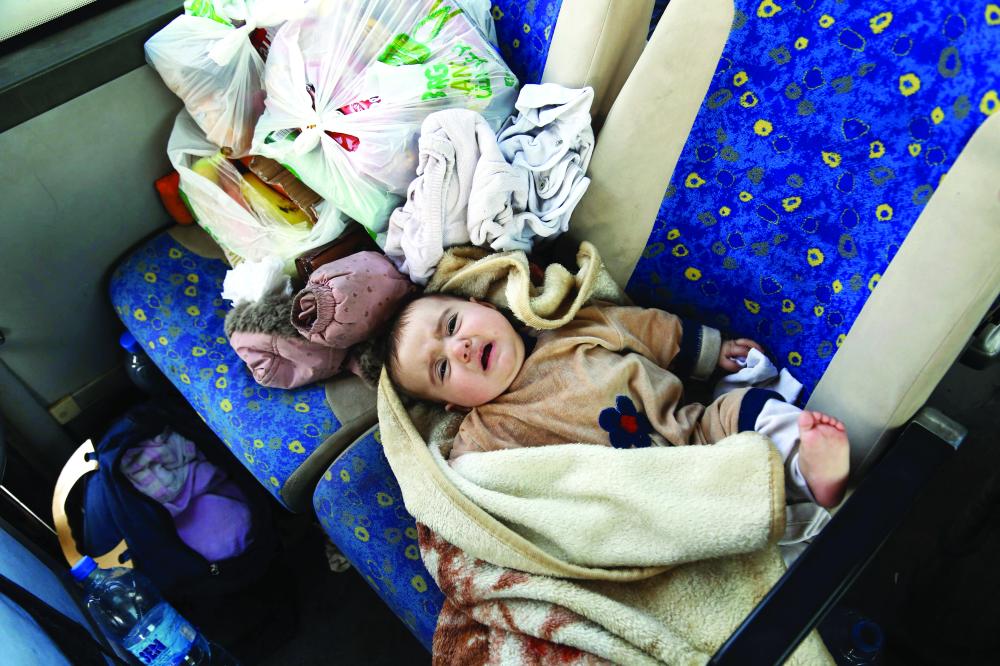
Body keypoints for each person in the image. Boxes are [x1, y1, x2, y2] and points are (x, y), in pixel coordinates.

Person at [384, 293, 850, 508]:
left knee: (748, 411)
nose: (459, 348)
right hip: (638, 501)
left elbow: (648, 329)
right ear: (454, 406)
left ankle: (808, 472)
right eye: (442, 369)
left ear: (484, 306)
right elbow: (470, 485)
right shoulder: (485, 431)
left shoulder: (573, 327)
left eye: (451, 325)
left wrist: (712, 353)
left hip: (696, 433)